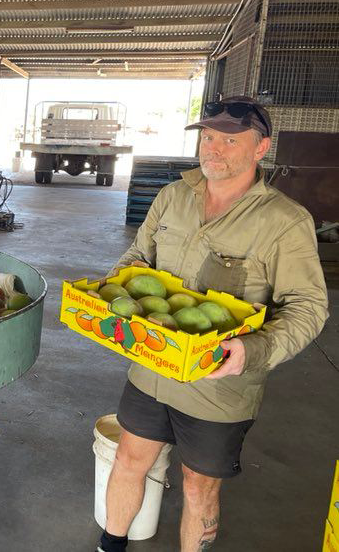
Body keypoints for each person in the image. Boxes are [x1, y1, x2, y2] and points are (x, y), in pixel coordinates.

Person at [98, 96, 328, 552]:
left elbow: (308, 306)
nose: (213, 149)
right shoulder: (173, 196)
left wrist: (255, 350)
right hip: (151, 363)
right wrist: (110, 291)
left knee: (198, 487)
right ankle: (111, 545)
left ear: (260, 148)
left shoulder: (284, 221)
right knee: (128, 459)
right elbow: (138, 257)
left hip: (219, 385)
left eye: (229, 139)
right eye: (207, 137)